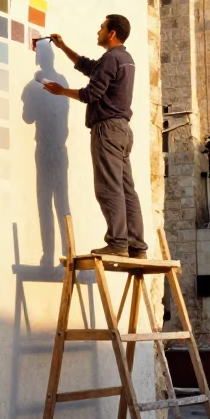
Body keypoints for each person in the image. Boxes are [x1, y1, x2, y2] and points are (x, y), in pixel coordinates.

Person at [43, 17, 147, 258]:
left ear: (112, 33)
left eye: (102, 27)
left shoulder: (111, 59)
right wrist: (64, 47)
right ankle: (137, 246)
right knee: (126, 190)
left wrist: (61, 91)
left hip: (107, 130)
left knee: (108, 187)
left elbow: (92, 93)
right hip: (122, 130)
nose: (98, 30)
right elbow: (91, 68)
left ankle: (118, 243)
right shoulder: (124, 59)